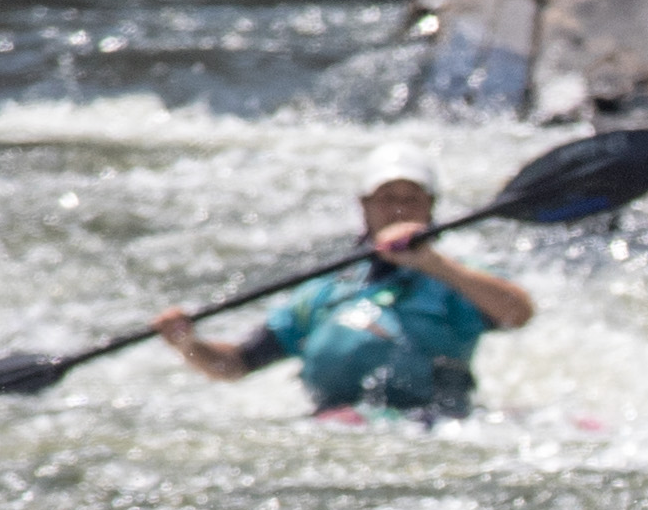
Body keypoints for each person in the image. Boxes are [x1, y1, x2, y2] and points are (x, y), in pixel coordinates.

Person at [155, 141, 534, 419]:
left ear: (431, 208)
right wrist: (187, 344)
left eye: (411, 199)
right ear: (364, 206)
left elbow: (518, 313)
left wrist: (433, 264)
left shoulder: (457, 280)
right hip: (338, 424)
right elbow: (235, 365)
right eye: (386, 198)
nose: (399, 209)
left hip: (432, 422)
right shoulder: (323, 291)